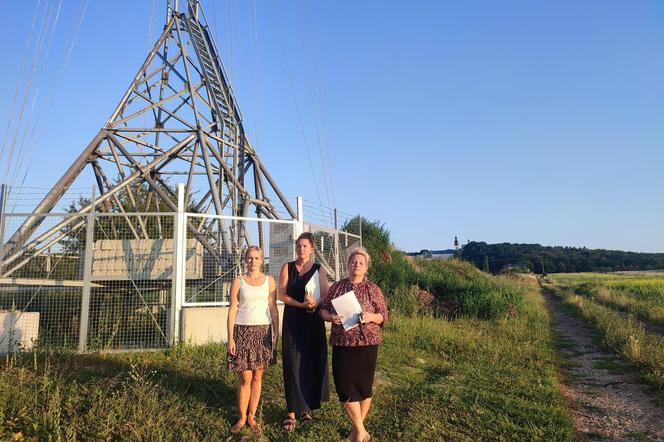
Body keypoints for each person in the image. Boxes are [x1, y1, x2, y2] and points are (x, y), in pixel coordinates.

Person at [320, 247, 388, 442]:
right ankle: (361, 431)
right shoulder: (337, 288)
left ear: (366, 267)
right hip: (343, 344)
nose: (356, 265)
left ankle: (356, 434)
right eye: (353, 261)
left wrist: (370, 317)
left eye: (360, 262)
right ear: (347, 265)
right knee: (344, 388)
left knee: (364, 388)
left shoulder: (373, 289)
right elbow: (322, 311)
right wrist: (330, 317)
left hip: (367, 344)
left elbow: (383, 316)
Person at [278, 232, 330, 432]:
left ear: (312, 249)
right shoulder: (287, 267)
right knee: (292, 363)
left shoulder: (319, 269)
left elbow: (325, 295)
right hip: (293, 319)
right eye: (299, 246)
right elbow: (282, 294)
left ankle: (306, 408)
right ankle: (291, 410)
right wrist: (300, 304)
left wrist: (315, 303)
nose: (301, 249)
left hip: (312, 321)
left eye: (305, 246)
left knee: (308, 362)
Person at [226, 246, 279, 434]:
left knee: (258, 375)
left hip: (263, 332)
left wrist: (276, 331)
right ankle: (241, 417)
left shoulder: (270, 281)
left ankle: (252, 416)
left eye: (256, 258)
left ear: (261, 260)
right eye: (249, 258)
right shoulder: (238, 281)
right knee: (245, 377)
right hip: (242, 331)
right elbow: (232, 308)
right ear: (245, 260)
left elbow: (273, 308)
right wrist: (230, 337)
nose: (253, 261)